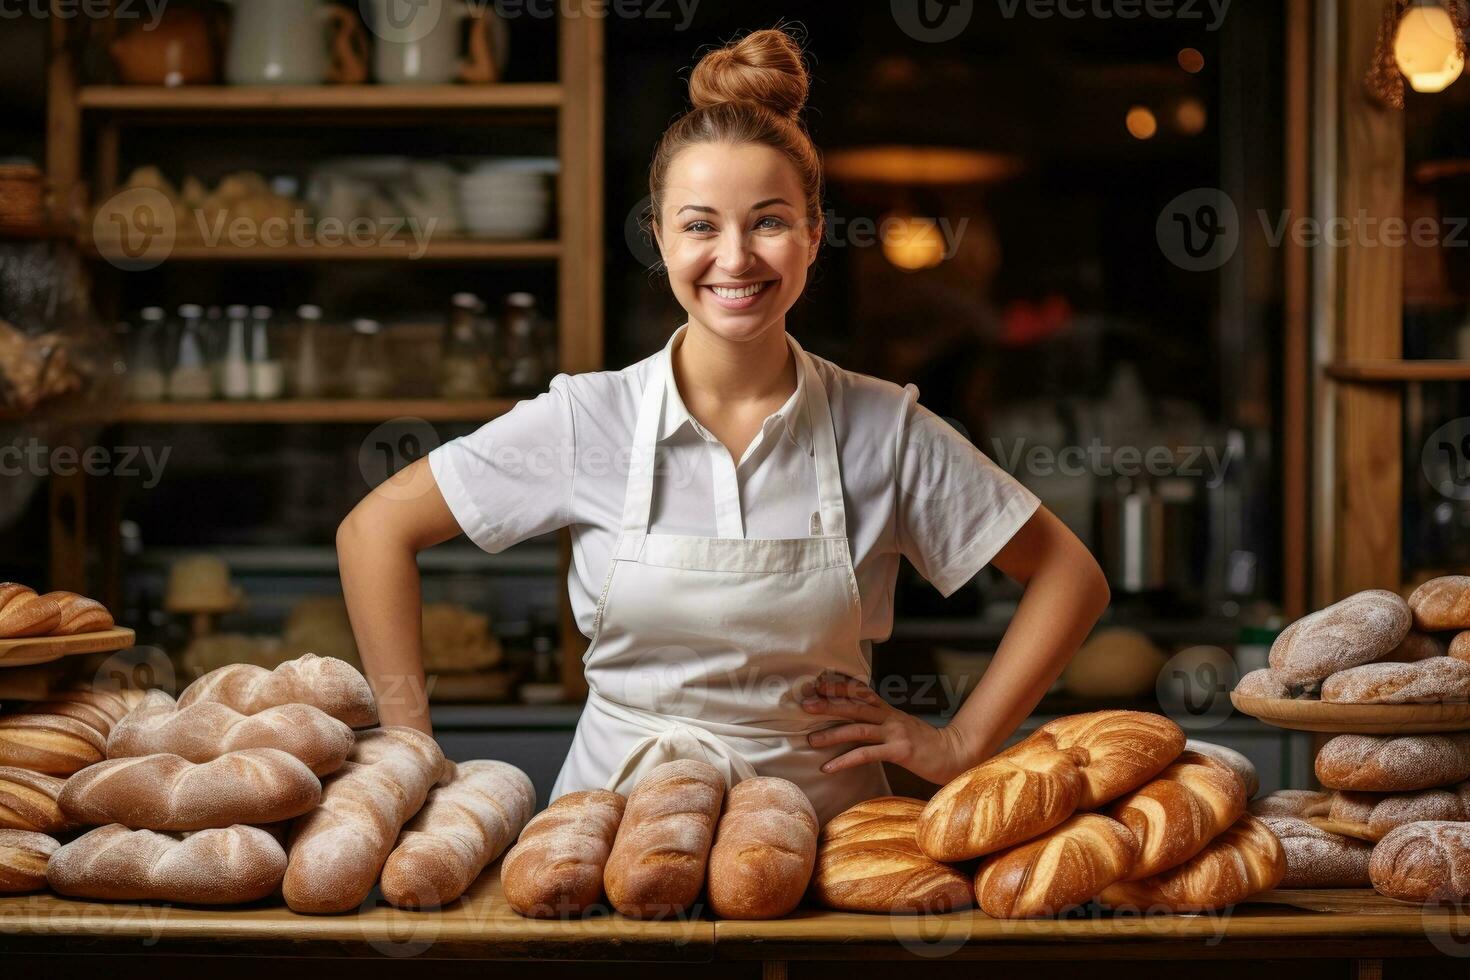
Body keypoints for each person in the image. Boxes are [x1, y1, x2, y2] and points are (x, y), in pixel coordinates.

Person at [336, 28, 1110, 824]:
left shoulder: (886, 429)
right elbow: (374, 533)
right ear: (662, 240)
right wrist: (412, 762)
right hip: (604, 852)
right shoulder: (588, 419)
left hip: (822, 859)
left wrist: (959, 744)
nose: (735, 259)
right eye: (701, 225)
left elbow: (1070, 577)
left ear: (813, 238)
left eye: (768, 222)